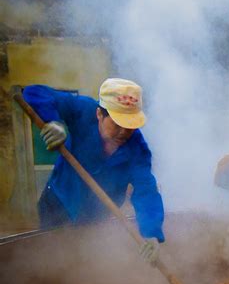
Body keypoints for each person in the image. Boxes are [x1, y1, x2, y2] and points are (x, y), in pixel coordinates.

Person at [23, 78, 164, 262]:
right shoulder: (82, 110)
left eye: (130, 126)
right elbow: (33, 92)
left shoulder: (138, 149)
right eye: (117, 123)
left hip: (97, 217)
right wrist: (53, 122)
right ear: (99, 114)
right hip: (59, 203)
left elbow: (146, 192)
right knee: (53, 260)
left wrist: (151, 233)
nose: (123, 132)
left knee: (86, 263)